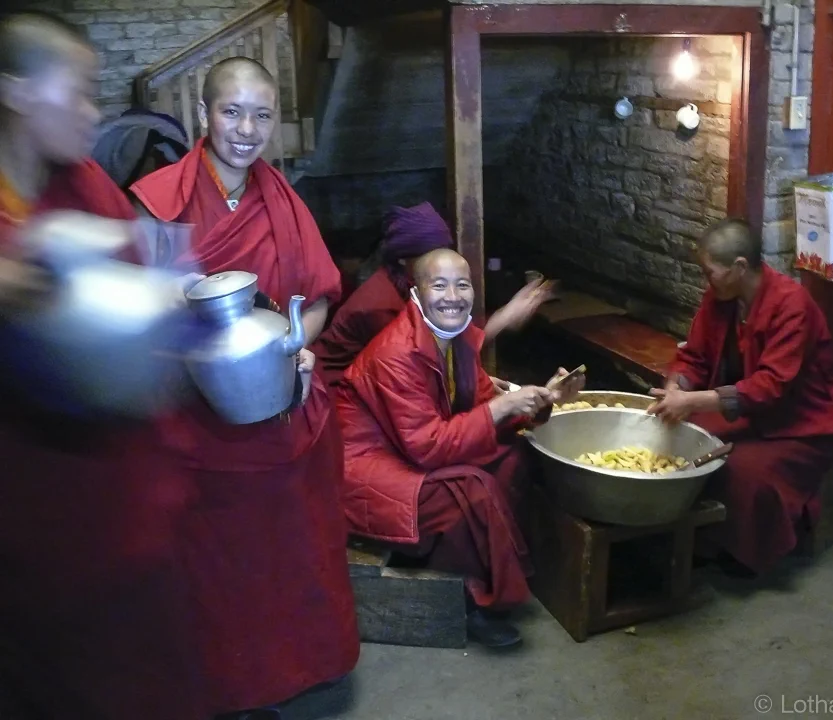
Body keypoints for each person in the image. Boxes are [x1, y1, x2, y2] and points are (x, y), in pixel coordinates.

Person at [131, 57, 359, 717]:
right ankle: (232, 684)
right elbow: (143, 320)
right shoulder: (160, 203)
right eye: (232, 111)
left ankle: (299, 666)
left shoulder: (285, 201)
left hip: (279, 406)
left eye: (262, 115)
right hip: (197, 420)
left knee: (295, 546)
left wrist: (297, 350)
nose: (246, 129)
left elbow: (315, 300)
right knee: (218, 561)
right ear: (204, 115)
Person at [0, 12, 204, 720]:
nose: (94, 114)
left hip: (125, 466)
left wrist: (178, 291)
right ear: (17, 90)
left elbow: (156, 266)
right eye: (80, 92)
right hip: (38, 494)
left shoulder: (83, 179)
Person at [336, 248, 584, 648]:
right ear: (416, 293)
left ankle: (505, 567)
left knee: (513, 457)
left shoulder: (457, 340)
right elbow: (429, 449)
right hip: (365, 467)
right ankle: (472, 601)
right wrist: (502, 407)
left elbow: (486, 404)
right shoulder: (395, 353)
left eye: (462, 284)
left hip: (409, 445)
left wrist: (542, 402)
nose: (453, 295)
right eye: (439, 285)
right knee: (469, 489)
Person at [648, 218, 833, 576]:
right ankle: (685, 532)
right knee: (680, 434)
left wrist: (694, 401)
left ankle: (739, 551)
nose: (706, 280)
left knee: (743, 471)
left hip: (800, 421)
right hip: (745, 409)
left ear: (740, 267)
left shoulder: (791, 304)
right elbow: (694, 356)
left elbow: (771, 385)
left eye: (711, 272)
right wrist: (677, 387)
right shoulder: (722, 297)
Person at [317, 201, 553, 386]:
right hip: (338, 395)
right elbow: (423, 363)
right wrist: (503, 320)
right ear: (402, 259)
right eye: (429, 255)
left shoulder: (413, 284)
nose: (440, 262)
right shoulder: (380, 305)